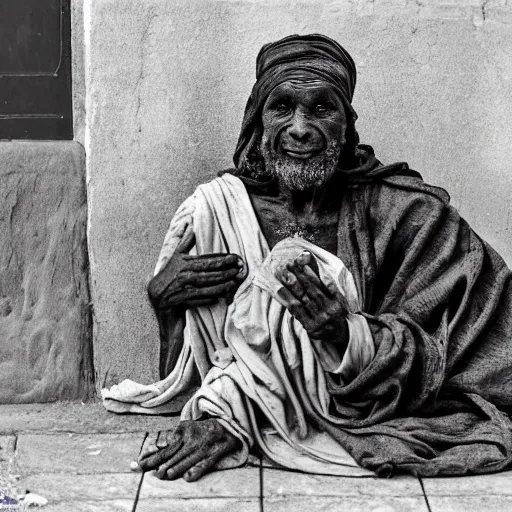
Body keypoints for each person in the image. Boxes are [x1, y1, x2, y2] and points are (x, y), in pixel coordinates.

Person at [102, 34, 512, 482]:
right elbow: (190, 378)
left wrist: (349, 336)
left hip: (366, 413)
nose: (300, 127)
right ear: (257, 122)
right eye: (282, 107)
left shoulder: (408, 216)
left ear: (347, 127)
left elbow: (469, 351)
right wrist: (167, 310)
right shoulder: (214, 214)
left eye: (321, 109)